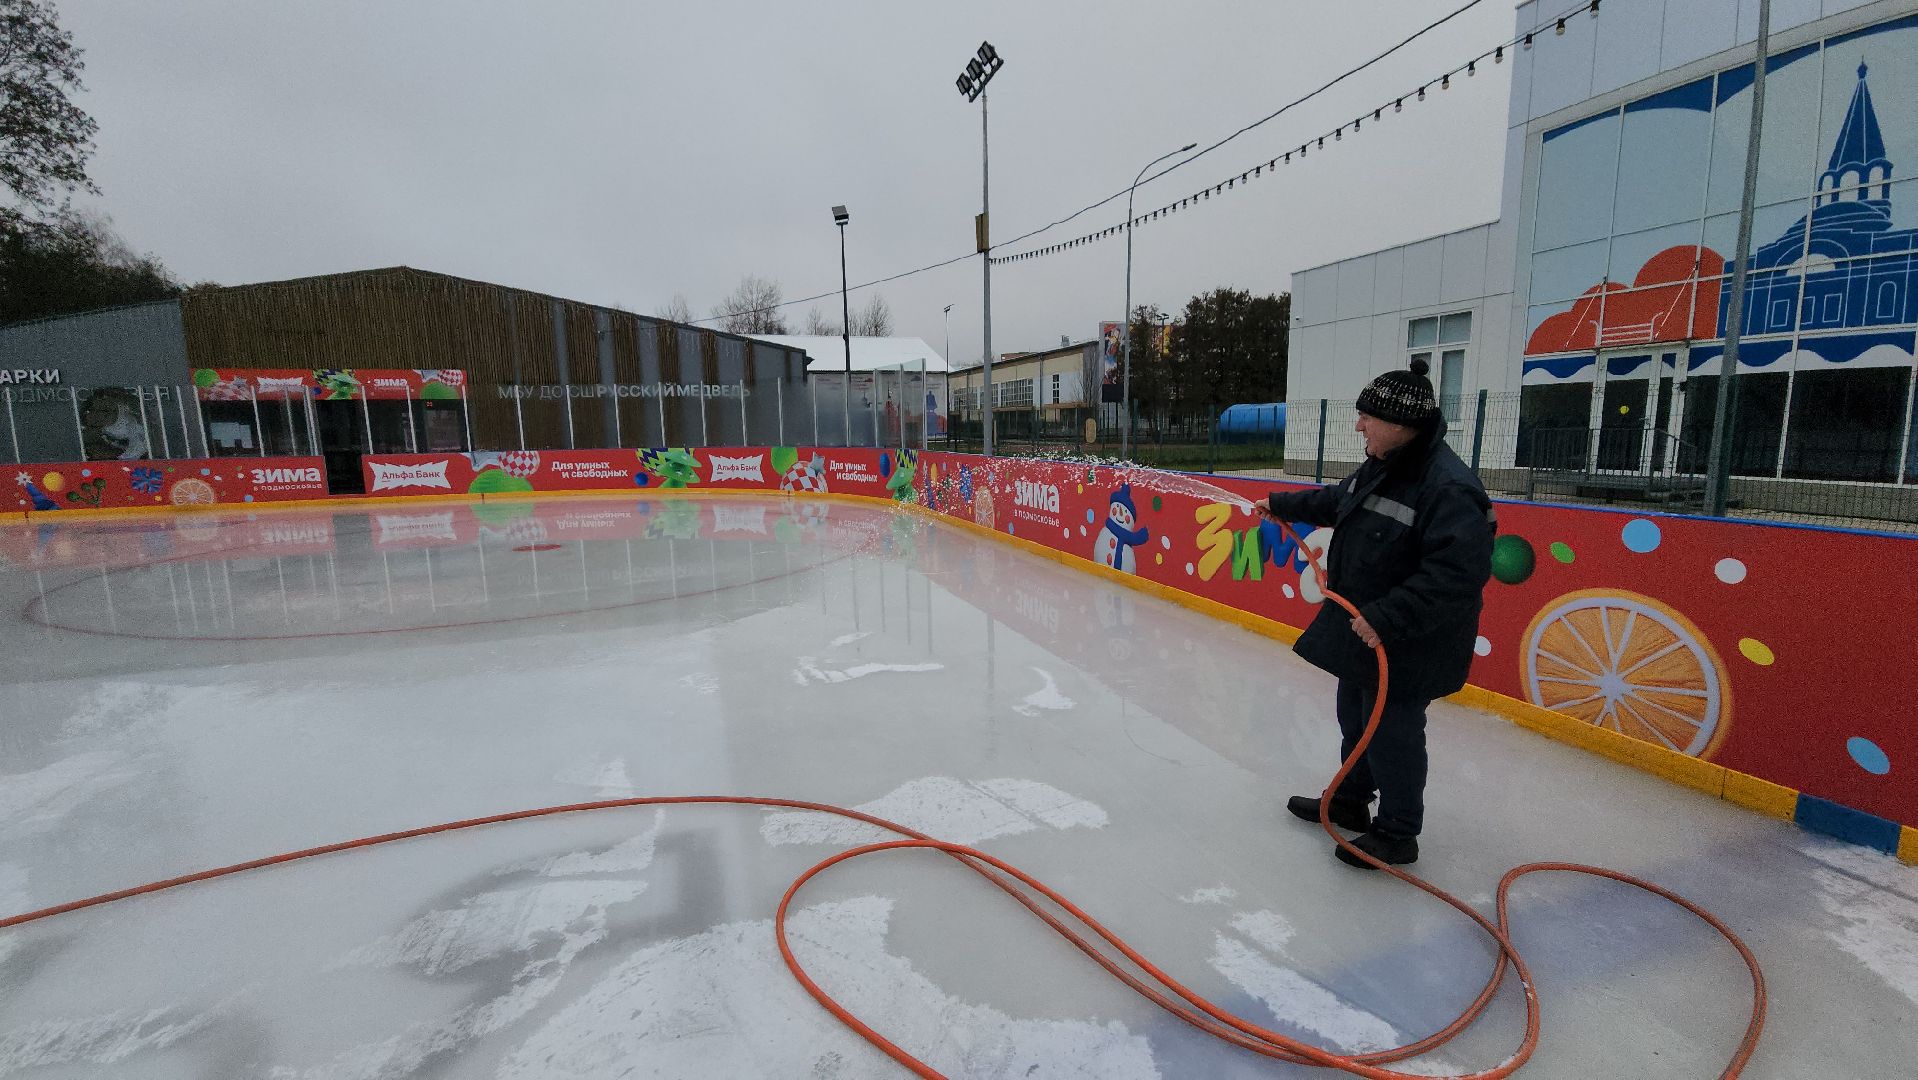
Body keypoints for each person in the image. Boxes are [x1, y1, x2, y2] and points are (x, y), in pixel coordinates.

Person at [1257, 357, 1495, 869]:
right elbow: (1339, 501)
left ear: (1401, 424)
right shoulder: (1384, 464)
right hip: (1367, 632)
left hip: (1410, 640)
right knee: (1355, 718)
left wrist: (1388, 616)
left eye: (1367, 417)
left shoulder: (1449, 488)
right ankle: (1350, 800)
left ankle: (1398, 832)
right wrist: (1283, 503)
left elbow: (1457, 575)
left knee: (1392, 733)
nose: (1359, 426)